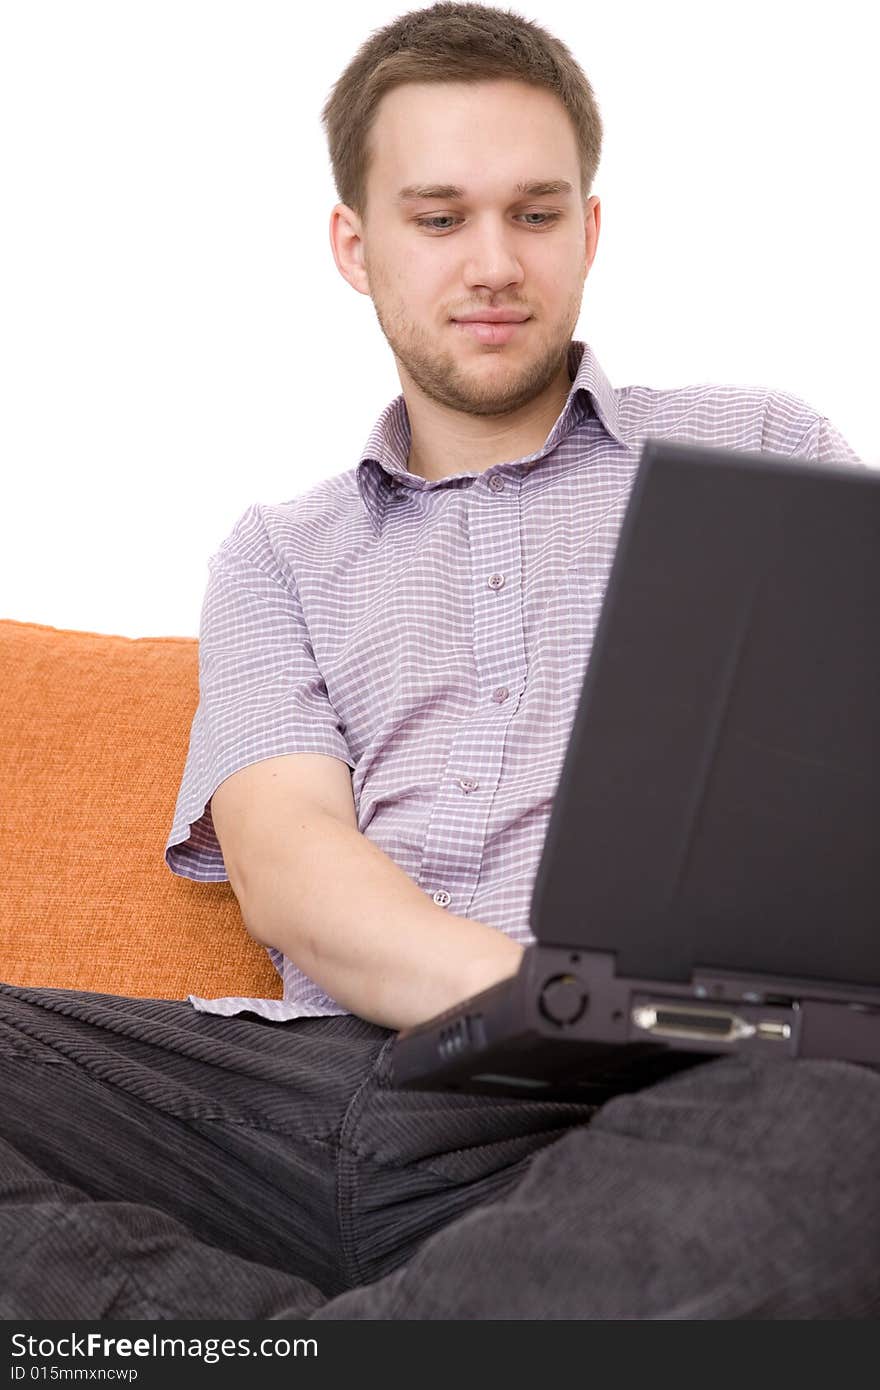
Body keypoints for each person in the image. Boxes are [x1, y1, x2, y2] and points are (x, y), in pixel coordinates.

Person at [1, 1, 878, 1322]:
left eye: (535, 213)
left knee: (842, 1125)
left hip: (647, 1107)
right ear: (355, 245)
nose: (493, 261)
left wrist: (620, 1029)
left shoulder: (762, 442)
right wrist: (546, 996)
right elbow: (290, 867)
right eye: (439, 216)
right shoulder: (277, 553)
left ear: (591, 229)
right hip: (304, 1100)